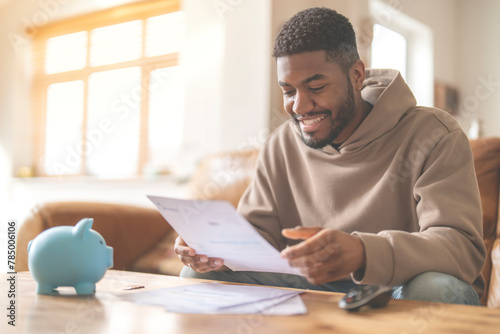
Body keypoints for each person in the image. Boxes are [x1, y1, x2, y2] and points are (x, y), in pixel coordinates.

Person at [175, 7, 486, 305]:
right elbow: (257, 239)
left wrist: (365, 252)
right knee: (199, 273)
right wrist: (212, 249)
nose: (298, 106)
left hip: (397, 286)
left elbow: (461, 247)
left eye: (317, 86)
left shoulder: (434, 134)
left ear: (356, 75)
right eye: (288, 91)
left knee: (437, 287)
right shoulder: (280, 145)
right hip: (315, 283)